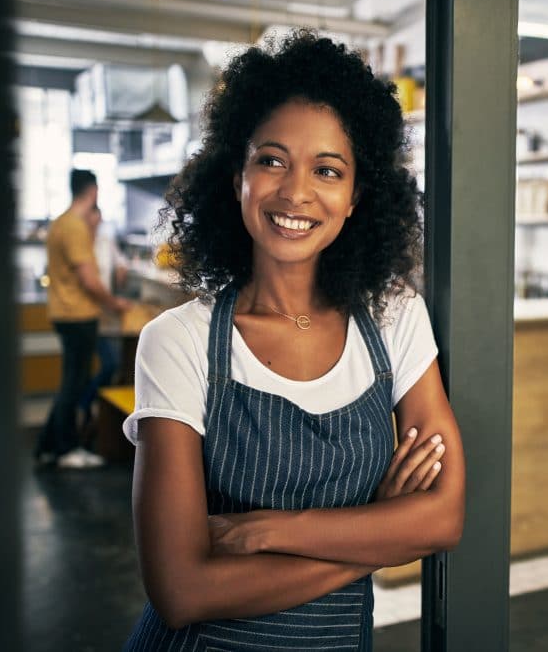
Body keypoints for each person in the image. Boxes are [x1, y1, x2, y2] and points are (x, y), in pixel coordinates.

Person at [122, 32, 465, 650]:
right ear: (237, 178)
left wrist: (268, 530)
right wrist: (375, 534)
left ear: (357, 196)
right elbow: (180, 593)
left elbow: (442, 517)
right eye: (271, 160)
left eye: (327, 170)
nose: (296, 192)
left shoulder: (394, 317)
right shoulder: (179, 342)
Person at [36, 169, 131, 469]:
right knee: (73, 385)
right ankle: (66, 449)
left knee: (70, 382)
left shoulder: (61, 223)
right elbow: (89, 280)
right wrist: (114, 303)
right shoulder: (75, 227)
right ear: (93, 192)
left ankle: (47, 446)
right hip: (78, 315)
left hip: (65, 313)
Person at [77, 205, 127, 430]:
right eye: (91, 218)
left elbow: (121, 262)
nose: (94, 223)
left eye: (97, 218)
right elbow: (88, 283)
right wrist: (113, 302)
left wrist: (120, 270)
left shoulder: (105, 240)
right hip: (85, 313)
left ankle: (88, 409)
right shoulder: (80, 243)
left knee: (109, 364)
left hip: (103, 314)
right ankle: (84, 405)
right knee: (108, 363)